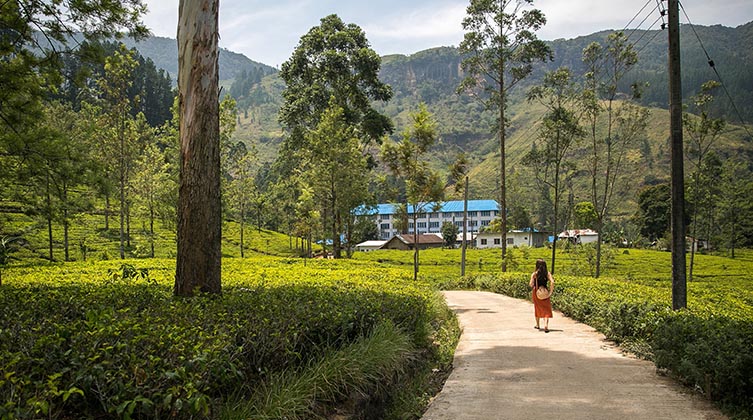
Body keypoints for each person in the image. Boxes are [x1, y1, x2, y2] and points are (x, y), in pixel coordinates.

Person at [529, 258, 554, 332]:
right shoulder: (547, 273)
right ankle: (546, 325)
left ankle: (537, 324)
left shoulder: (534, 274)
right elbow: (552, 282)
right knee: (546, 308)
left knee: (537, 308)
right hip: (545, 292)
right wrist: (550, 292)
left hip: (537, 292)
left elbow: (531, 284)